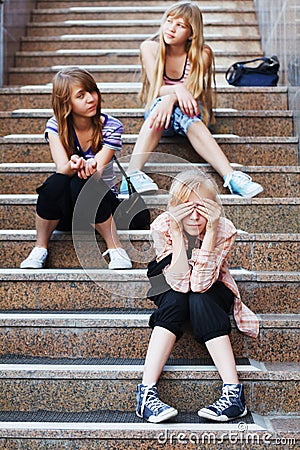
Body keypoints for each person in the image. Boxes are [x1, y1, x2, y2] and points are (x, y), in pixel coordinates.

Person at [136, 168, 259, 423]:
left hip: (211, 284)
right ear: (174, 207)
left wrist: (211, 232)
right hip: (172, 279)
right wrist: (178, 233)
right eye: (186, 208)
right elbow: (180, 283)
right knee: (176, 299)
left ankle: (234, 394)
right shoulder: (163, 226)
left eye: (202, 208)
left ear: (214, 207)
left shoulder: (225, 230)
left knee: (199, 298)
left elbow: (201, 284)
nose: (194, 216)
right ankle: (146, 393)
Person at [120, 1, 263, 198]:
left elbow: (190, 94)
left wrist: (171, 98)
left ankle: (132, 174)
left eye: (181, 25)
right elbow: (156, 88)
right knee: (161, 104)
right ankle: (229, 175)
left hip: (190, 112)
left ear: (192, 33)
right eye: (169, 21)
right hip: (159, 112)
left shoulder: (201, 54)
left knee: (182, 111)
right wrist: (175, 91)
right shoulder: (150, 47)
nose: (171, 28)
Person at [20, 66, 132, 270]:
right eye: (81, 95)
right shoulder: (56, 126)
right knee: (55, 183)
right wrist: (73, 164)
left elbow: (97, 170)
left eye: (92, 91)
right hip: (68, 211)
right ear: (66, 102)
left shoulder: (111, 126)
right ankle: (40, 248)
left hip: (103, 204)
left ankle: (115, 248)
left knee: (83, 181)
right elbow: (61, 167)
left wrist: (87, 165)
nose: (91, 98)